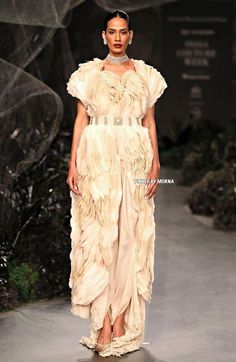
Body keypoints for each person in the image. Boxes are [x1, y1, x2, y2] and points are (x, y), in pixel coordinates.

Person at [66, 9, 167, 358]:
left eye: (123, 32)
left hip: (135, 157)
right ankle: (103, 324)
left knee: (130, 236)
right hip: (97, 159)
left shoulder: (147, 76)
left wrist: (156, 162)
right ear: (103, 36)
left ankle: (121, 320)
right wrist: (72, 162)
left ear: (131, 35)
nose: (118, 38)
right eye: (112, 32)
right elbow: (80, 121)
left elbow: (150, 123)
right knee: (101, 238)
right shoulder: (88, 75)